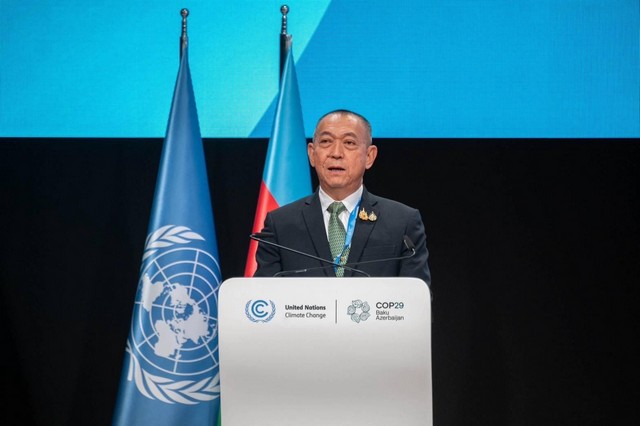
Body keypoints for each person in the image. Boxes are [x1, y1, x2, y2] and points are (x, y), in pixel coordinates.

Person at [254, 109, 431, 287]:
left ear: (369, 156)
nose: (336, 153)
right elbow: (263, 299)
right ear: (312, 154)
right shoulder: (280, 224)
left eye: (349, 142)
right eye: (325, 141)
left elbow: (417, 299)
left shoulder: (402, 222)